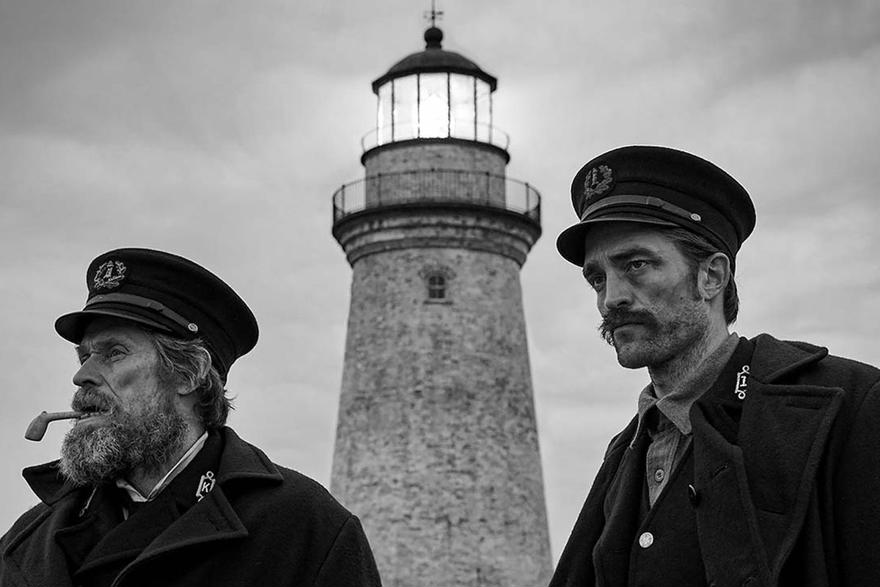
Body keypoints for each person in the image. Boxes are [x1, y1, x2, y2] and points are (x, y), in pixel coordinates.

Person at [549, 146, 880, 587]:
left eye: (636, 265)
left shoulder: (851, 405)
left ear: (712, 276)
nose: (612, 298)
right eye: (597, 277)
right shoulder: (624, 452)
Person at [0, 248, 382, 587]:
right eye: (84, 356)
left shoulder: (306, 529)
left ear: (188, 374)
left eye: (113, 353)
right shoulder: (30, 539)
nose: (81, 376)